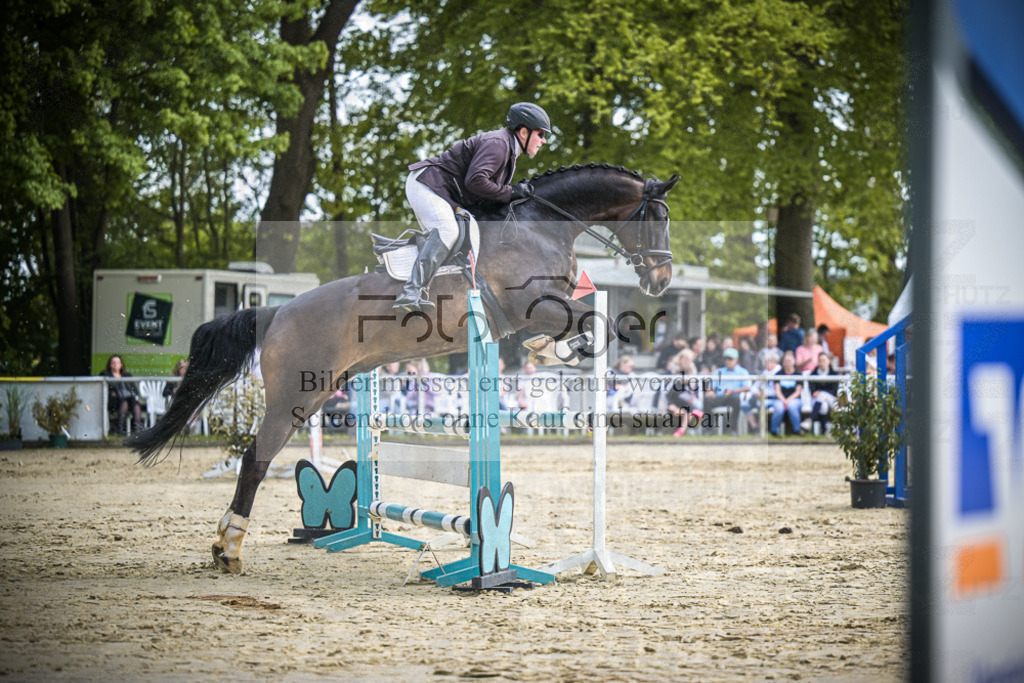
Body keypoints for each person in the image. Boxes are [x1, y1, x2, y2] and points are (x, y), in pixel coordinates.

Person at [395, 102, 551, 313]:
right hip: (427, 184)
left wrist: (511, 195)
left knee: (453, 238)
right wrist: (510, 192)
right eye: (541, 134)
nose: (543, 141)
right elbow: (475, 181)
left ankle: (421, 289)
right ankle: (410, 292)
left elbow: (484, 190)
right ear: (524, 131)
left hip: (441, 191)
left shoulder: (508, 150)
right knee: (448, 231)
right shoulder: (498, 144)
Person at [702, 347, 751, 435]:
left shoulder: (743, 372)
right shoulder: (719, 371)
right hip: (720, 397)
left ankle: (733, 429)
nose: (727, 361)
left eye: (730, 359)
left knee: (737, 401)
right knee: (707, 400)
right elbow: (711, 386)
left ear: (736, 360)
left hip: (733, 397)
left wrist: (732, 391)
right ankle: (709, 428)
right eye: (726, 359)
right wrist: (711, 392)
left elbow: (747, 387)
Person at [101, 354, 142, 436]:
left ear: (121, 364)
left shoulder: (127, 375)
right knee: (124, 403)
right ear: (110, 364)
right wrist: (113, 393)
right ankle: (120, 429)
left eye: (118, 362)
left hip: (129, 399)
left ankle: (138, 430)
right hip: (113, 401)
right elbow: (106, 390)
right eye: (113, 362)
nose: (115, 365)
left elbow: (134, 390)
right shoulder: (106, 375)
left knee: (136, 405)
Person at [769, 351, 804, 436]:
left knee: (792, 406)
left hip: (795, 399)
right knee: (779, 409)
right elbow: (777, 391)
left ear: (794, 361)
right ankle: (774, 431)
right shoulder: (778, 374)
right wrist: (784, 400)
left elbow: (798, 391)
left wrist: (787, 401)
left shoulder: (798, 374)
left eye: (790, 360)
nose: (787, 363)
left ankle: (797, 430)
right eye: (785, 361)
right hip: (780, 398)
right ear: (783, 362)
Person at [807, 352, 840, 434]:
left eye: (824, 360)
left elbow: (834, 390)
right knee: (823, 405)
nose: (822, 363)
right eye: (820, 361)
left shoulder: (834, 374)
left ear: (829, 361)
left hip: (832, 399)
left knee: (822, 395)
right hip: (818, 401)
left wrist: (821, 392)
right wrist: (816, 393)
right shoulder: (813, 374)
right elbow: (812, 390)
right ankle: (824, 430)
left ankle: (810, 419)